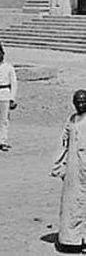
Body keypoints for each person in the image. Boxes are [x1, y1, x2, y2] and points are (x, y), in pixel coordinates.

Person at [51, 89, 86, 252]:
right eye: (78, 101)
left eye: (84, 101)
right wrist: (59, 166)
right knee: (72, 203)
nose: (81, 104)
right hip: (74, 167)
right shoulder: (71, 120)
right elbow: (63, 143)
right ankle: (72, 240)